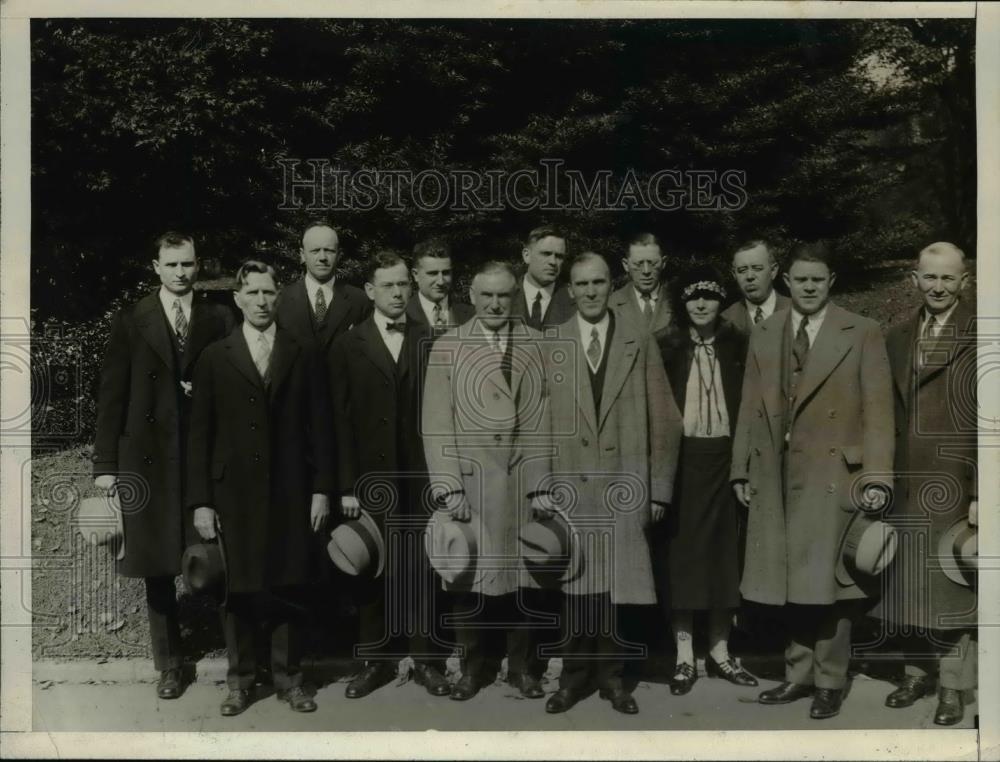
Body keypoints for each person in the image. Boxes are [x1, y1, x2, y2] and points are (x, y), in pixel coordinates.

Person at [730, 241, 894, 720]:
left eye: (817, 280)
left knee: (831, 584)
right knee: (791, 580)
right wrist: (741, 467)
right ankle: (797, 675)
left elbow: (880, 412)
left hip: (835, 474)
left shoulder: (862, 331)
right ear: (786, 281)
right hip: (777, 475)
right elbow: (749, 406)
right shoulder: (767, 332)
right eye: (800, 279)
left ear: (831, 282)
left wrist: (878, 477)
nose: (807, 287)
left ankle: (829, 680)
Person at [187, 261, 334, 716]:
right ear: (238, 297)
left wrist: (322, 489)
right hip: (234, 496)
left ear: (279, 297)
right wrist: (201, 502)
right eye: (252, 293)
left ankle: (291, 680)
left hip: (291, 491)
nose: (262, 302)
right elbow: (199, 436)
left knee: (289, 584)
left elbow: (321, 427)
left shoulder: (301, 351)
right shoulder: (216, 356)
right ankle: (241, 681)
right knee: (239, 590)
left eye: (269, 293)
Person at [92, 231, 235, 700]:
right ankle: (169, 664)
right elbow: (112, 396)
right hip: (148, 459)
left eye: (188, 264)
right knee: (156, 566)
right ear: (155, 266)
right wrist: (107, 467)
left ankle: (238, 656)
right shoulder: (132, 319)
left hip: (200, 455)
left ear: (198, 266)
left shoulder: (218, 317)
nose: (181, 273)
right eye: (171, 265)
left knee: (215, 558)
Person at [538, 252, 682, 715]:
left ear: (610, 284)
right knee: (577, 590)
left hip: (624, 485)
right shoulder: (553, 341)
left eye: (599, 282)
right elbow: (536, 420)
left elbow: (664, 419)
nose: (591, 292)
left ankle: (615, 679)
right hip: (570, 487)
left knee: (616, 590)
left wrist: (658, 487)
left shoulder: (637, 339)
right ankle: (572, 679)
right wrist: (539, 486)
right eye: (581, 285)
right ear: (570, 290)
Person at [422, 261, 552, 701]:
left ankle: (523, 670)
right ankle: (471, 670)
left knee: (525, 581)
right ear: (472, 298)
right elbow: (437, 423)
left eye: (504, 296)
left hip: (520, 485)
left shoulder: (535, 344)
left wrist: (541, 484)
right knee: (468, 579)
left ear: (515, 297)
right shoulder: (448, 346)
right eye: (487, 296)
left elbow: (542, 420)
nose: (496, 304)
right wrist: (449, 485)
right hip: (472, 487)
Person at [330, 250, 452, 699]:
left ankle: (427, 660)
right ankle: (373, 662)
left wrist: (444, 476)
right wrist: (346, 485)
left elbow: (445, 414)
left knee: (422, 566)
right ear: (370, 291)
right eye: (388, 285)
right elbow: (338, 420)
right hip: (369, 479)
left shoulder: (431, 339)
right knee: (372, 568)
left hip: (421, 477)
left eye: (403, 284)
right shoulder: (349, 344)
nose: (398, 293)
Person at [874, 242, 978, 725]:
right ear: (914, 279)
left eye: (948, 279)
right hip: (904, 481)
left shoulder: (981, 334)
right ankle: (916, 672)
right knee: (909, 583)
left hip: (954, 481)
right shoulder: (896, 337)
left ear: (964, 282)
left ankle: (954, 687)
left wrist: (980, 494)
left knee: (954, 586)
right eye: (930, 278)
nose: (938, 287)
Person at [654, 265, 757, 696]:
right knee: (684, 559)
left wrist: (743, 467)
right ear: (683, 303)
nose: (701, 304)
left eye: (710, 297)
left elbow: (751, 408)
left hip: (725, 462)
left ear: (721, 303)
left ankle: (719, 651)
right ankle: (683, 657)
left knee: (722, 557)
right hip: (682, 463)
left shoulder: (738, 346)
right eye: (693, 296)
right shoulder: (668, 347)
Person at [275, 222, 371, 352]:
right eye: (315, 251)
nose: (322, 257)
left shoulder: (359, 301)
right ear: (302, 255)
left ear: (338, 255)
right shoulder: (281, 301)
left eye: (329, 251)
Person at [510, 225, 576, 330]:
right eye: (546, 254)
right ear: (527, 256)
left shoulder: (575, 302)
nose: (553, 262)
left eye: (559, 256)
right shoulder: (504, 295)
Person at [608, 232, 672, 336]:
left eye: (653, 263)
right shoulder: (611, 305)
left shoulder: (678, 302)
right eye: (638, 264)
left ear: (663, 262)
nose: (646, 271)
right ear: (626, 265)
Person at [721, 240, 790, 335]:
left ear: (773, 271)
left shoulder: (798, 311)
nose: (749, 276)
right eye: (742, 270)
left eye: (757, 268)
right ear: (734, 274)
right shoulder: (725, 321)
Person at [405, 238, 475, 331]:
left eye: (446, 273)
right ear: (415, 275)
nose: (441, 282)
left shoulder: (471, 315)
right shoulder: (402, 315)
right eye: (433, 273)